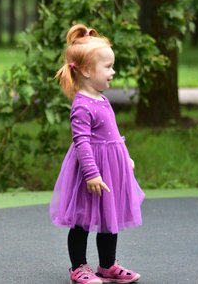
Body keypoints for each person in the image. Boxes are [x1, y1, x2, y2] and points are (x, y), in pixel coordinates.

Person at [50, 24, 145, 284]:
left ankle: (107, 266)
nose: (113, 72)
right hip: (90, 173)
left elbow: (113, 135)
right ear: (87, 71)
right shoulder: (81, 104)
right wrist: (92, 174)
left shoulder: (102, 100)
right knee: (82, 219)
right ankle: (78, 267)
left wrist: (125, 158)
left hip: (110, 170)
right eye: (108, 67)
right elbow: (82, 142)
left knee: (108, 218)